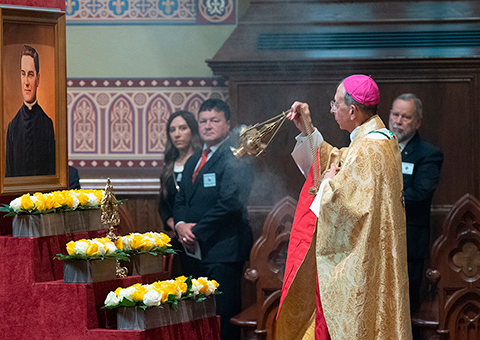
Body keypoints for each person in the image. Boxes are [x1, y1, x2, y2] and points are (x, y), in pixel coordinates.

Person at [276, 75, 412, 339]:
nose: (332, 109)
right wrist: (308, 130)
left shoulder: (370, 148)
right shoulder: (377, 139)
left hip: (360, 262)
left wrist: (327, 186)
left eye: (335, 103)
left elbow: (348, 207)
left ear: (352, 110)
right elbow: (339, 160)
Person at [173, 99, 254, 340]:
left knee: (223, 318)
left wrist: (196, 230)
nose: (208, 126)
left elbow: (230, 203)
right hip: (193, 252)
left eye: (214, 121)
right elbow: (180, 201)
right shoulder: (192, 161)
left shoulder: (237, 158)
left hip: (224, 251)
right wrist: (180, 225)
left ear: (227, 124)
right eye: (203, 121)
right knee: (199, 318)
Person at [388, 94, 443, 322]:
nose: (398, 121)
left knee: (403, 310)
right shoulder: (377, 145)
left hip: (409, 243)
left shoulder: (428, 153)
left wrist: (381, 200)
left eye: (406, 117)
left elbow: (420, 193)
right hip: (377, 238)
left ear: (417, 122)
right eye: (395, 114)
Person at [158, 110, 201, 275]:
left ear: (192, 130)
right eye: (172, 130)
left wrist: (190, 230)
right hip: (177, 238)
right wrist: (176, 225)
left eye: (182, 128)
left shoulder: (202, 160)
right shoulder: (169, 166)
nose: (177, 134)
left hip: (199, 234)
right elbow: (163, 205)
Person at [6, 44, 55, 177]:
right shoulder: (12, 127)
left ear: (38, 79)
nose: (26, 82)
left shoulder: (47, 125)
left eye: (31, 74)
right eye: (23, 74)